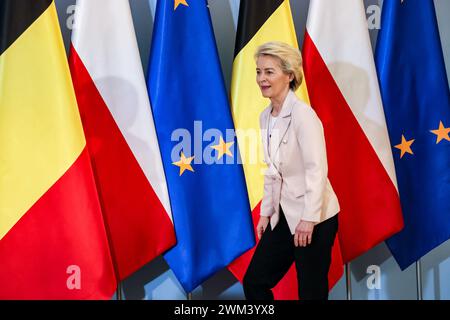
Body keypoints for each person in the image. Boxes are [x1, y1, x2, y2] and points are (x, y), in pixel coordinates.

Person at [243, 41, 340, 300]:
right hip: (284, 215)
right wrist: (266, 213)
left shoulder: (303, 115)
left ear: (290, 75)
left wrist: (309, 219)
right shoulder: (265, 116)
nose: (261, 79)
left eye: (269, 72)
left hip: (315, 216)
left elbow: (316, 170)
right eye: (258, 71)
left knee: (310, 292)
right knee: (254, 282)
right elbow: (272, 170)